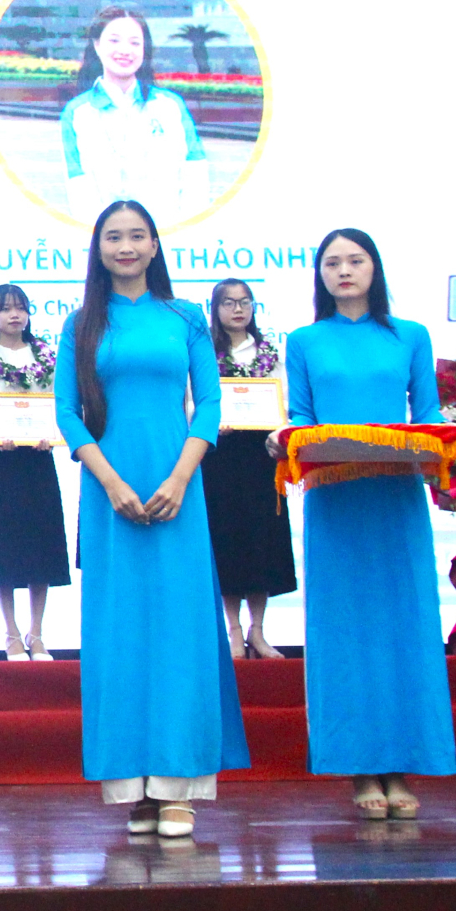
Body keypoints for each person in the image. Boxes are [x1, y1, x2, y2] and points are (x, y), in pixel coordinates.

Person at [56, 199, 246, 838]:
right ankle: (133, 786)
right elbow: (67, 413)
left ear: (156, 245)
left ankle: (176, 788)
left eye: (138, 235)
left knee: (179, 631)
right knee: (120, 635)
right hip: (109, 501)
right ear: (99, 247)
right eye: (114, 236)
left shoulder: (186, 318)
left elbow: (211, 406)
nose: (127, 246)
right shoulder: (83, 323)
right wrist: (108, 482)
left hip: (178, 494)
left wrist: (178, 479)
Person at [283, 228, 456, 818]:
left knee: (402, 626)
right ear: (320, 276)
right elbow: (301, 418)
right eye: (332, 263)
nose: (344, 271)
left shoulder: (410, 335)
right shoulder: (304, 340)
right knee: (345, 632)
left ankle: (401, 765)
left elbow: (427, 413)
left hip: (396, 498)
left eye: (355, 260)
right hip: (335, 500)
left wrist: (442, 450)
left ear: (375, 268)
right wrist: (290, 442)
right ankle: (359, 771)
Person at [0, 284, 71, 661]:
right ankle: (10, 633)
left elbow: (60, 404)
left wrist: (52, 434)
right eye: (5, 309)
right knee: (2, 545)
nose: (14, 315)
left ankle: (36, 633)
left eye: (20, 308)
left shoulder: (46, 355)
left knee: (42, 544)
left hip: (37, 460)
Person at [201, 278, 295, 660]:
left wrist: (278, 429)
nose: (237, 309)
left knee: (262, 543)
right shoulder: (204, 352)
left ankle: (258, 630)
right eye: (228, 302)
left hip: (261, 458)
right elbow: (194, 399)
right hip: (220, 458)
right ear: (216, 309)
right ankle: (234, 631)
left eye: (244, 302)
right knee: (228, 542)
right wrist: (207, 421)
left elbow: (284, 402)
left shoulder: (270, 352)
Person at [59, 6, 210, 227]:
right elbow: (78, 189)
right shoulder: (77, 113)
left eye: (134, 42)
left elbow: (195, 175)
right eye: (114, 40)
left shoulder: (170, 106)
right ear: (97, 45)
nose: (125, 50)